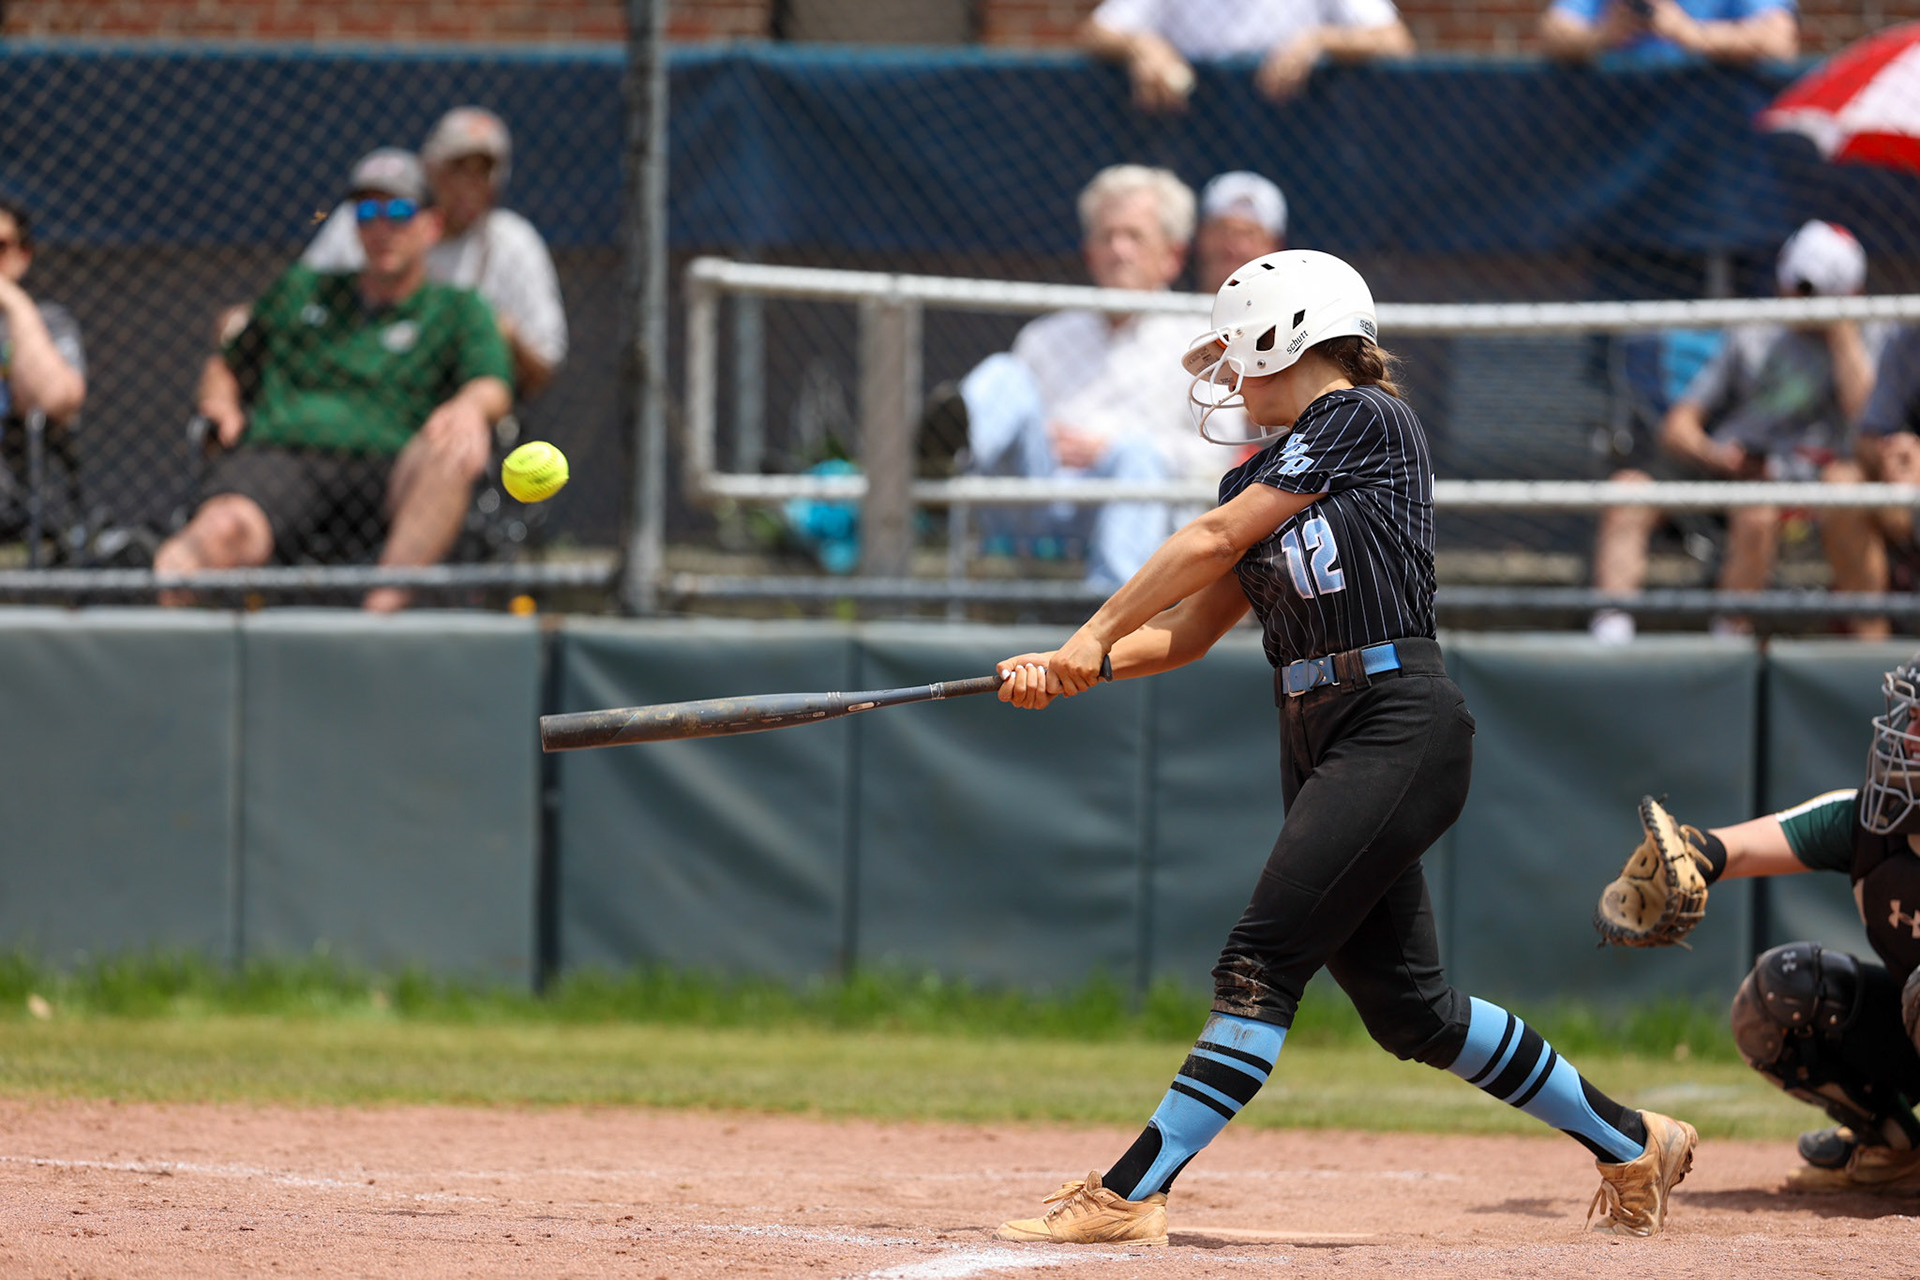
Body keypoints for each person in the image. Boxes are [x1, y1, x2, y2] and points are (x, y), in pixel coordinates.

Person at [988, 249, 1698, 1245]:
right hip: (1318, 734)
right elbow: (1186, 635)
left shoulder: (1366, 418)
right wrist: (1075, 664)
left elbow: (1212, 538)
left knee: (1259, 960)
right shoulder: (1259, 471)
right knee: (1412, 1012)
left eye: (1240, 348)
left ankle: (1131, 1191)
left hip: (1395, 718)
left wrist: (1092, 628)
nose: (1229, 373)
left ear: (1288, 334)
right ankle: (1635, 1140)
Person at [1594, 655, 1920, 1192]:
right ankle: (1896, 1148)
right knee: (1782, 991)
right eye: (1909, 720)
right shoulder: (1868, 822)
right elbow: (1736, 849)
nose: (1906, 739)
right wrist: (1694, 859)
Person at [154, 149, 513, 612]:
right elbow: (226, 363)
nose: (381, 228)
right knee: (219, 529)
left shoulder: (460, 309)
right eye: (366, 213)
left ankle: (374, 624)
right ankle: (153, 624)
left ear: (432, 226)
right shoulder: (302, 289)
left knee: (452, 450)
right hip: (285, 458)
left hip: (392, 468)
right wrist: (220, 400)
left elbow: (491, 385)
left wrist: (470, 408)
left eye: (398, 212)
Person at [947, 165, 1242, 587]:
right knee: (1005, 373)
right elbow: (1020, 433)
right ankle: (946, 458)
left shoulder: (1203, 341)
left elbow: (1215, 456)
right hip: (1040, 498)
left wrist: (1109, 449)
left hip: (1144, 514)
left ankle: (1106, 611)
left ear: (1172, 256)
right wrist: (1040, 437)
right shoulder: (1044, 336)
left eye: (1134, 236)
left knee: (1135, 458)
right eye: (1107, 236)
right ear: (1089, 251)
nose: (1118, 250)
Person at [1589, 221, 1883, 642]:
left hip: (1797, 492)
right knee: (1626, 491)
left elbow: (1870, 424)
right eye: (1798, 286)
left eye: (1813, 290)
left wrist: (1840, 331)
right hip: (1723, 472)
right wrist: (1714, 454)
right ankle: (1610, 640)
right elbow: (1678, 427)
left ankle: (1727, 642)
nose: (1800, 298)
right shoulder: (1753, 332)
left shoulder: (1868, 337)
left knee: (1756, 511)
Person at [304, 107, 567, 396]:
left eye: (483, 172)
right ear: (428, 169)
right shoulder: (367, 217)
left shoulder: (513, 241)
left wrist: (496, 331)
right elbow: (303, 302)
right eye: (457, 169)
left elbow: (544, 364)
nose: (468, 185)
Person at [1083, 0, 1414, 111]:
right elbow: (1096, 31)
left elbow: (1395, 41)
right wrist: (1142, 45)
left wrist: (1319, 40)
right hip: (1191, 132)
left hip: (1301, 136)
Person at [0, 197, 87, 535]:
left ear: (23, 256)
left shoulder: (47, 323)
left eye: (0, 247)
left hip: (14, 511)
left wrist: (13, 302)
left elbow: (56, 399)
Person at [1539, 0, 1797, 63]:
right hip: (1620, 141)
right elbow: (1553, 32)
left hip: (1715, 138)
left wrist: (1687, 33)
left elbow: (1778, 40)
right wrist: (1603, 35)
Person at [1194, 172, 1287, 297]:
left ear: (1275, 246)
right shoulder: (1167, 303)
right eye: (1223, 230)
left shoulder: (1297, 309)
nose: (1234, 248)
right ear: (1202, 235)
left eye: (1249, 234)